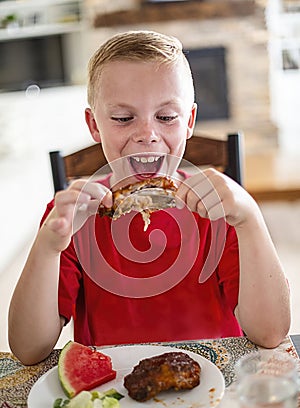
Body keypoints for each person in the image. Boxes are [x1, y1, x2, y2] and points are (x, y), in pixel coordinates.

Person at [8, 30, 290, 365]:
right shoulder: (72, 219)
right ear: (94, 125)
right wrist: (46, 247)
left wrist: (251, 219)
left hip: (215, 382)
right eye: (123, 118)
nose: (147, 135)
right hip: (113, 393)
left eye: (167, 117)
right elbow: (28, 349)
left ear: (189, 121)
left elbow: (271, 333)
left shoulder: (220, 211)